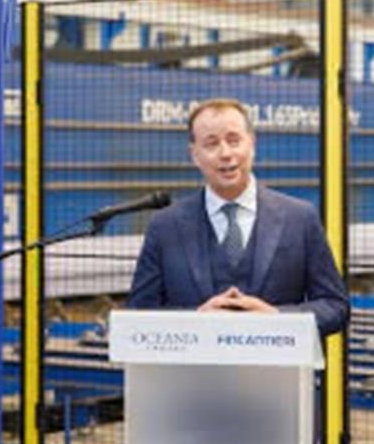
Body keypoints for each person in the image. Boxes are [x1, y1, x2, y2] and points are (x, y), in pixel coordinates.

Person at [126, 98, 349, 336]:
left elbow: (335, 306)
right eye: (211, 144)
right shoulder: (164, 227)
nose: (225, 153)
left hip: (275, 360)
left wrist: (278, 319)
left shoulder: (300, 218)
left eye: (234, 141)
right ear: (194, 155)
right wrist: (195, 321)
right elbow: (139, 314)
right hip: (196, 362)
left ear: (252, 144)